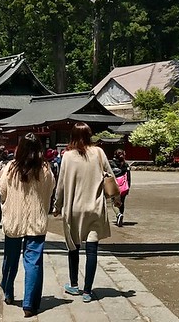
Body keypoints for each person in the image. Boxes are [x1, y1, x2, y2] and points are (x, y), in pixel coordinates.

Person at [53, 122, 119, 303]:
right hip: (94, 207)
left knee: (73, 247)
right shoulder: (99, 153)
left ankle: (74, 285)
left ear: (72, 136)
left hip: (74, 208)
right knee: (92, 249)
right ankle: (88, 291)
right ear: (89, 135)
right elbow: (110, 176)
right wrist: (116, 198)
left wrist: (57, 206)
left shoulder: (67, 156)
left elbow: (61, 185)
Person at [0, 133, 55, 318]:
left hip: (14, 219)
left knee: (10, 258)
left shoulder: (11, 167)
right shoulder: (45, 169)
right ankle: (29, 303)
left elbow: (2, 190)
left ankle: (8, 291)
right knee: (33, 262)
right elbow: (50, 189)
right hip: (36, 220)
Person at [109, 149, 131, 227]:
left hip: (114, 185)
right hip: (124, 186)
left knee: (114, 202)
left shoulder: (111, 164)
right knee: (122, 202)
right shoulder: (125, 165)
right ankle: (121, 215)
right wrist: (128, 186)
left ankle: (118, 215)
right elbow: (128, 177)